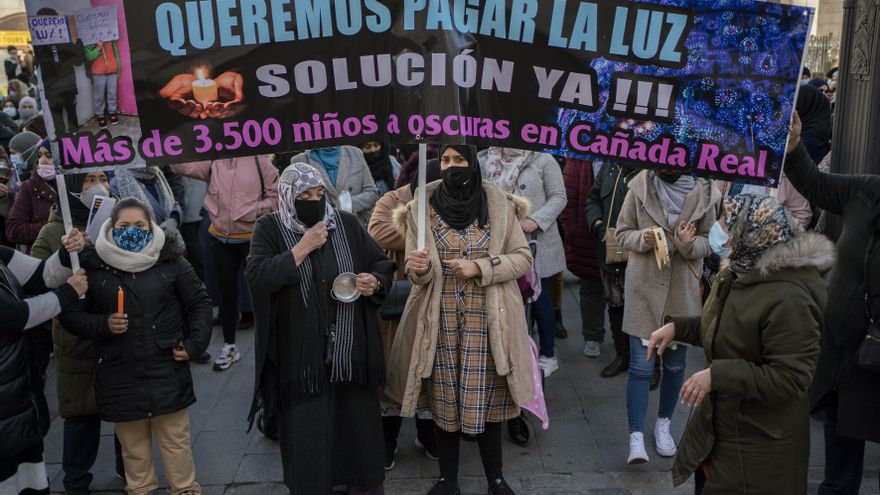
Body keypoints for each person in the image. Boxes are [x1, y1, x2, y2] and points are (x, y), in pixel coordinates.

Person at [648, 194, 832, 493]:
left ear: (755, 235)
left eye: (728, 224)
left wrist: (717, 375)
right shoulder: (740, 271)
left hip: (760, 448)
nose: (722, 231)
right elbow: (727, 329)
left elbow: (791, 378)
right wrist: (677, 327)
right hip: (724, 434)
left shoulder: (790, 298)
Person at [388, 145, 535, 495]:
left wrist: (481, 267)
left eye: (460, 159)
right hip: (438, 322)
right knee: (443, 401)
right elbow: (413, 267)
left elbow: (522, 257)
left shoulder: (498, 203)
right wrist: (417, 269)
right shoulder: (421, 206)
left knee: (487, 402)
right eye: (446, 160)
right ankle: (448, 480)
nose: (452, 166)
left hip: (488, 323)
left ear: (473, 162)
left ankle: (496, 479)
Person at [246, 162, 394, 494]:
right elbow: (256, 277)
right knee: (310, 440)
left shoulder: (343, 222)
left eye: (318, 193)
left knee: (357, 435)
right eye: (303, 195)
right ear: (287, 196)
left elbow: (380, 263)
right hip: (301, 358)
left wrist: (375, 281)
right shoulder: (269, 228)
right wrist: (301, 249)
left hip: (349, 353)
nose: (313, 201)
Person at [60, 198, 212, 495]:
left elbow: (199, 302)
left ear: (151, 225)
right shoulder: (92, 265)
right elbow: (70, 316)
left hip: (166, 368)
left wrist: (194, 344)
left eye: (140, 225)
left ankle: (185, 490)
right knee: (134, 453)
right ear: (111, 227)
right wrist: (103, 324)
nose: (133, 231)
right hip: (120, 373)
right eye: (124, 226)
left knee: (176, 444)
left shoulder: (171, 259)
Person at [786, 112, 880, 495]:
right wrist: (793, 145)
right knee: (839, 472)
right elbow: (816, 184)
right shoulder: (868, 191)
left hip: (876, 364)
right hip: (843, 363)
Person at [30, 171, 129, 493]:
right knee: (81, 415)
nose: (98, 185)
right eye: (88, 180)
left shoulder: (117, 221)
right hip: (77, 339)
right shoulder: (52, 232)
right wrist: (69, 254)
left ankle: (129, 472)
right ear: (72, 187)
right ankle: (75, 481)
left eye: (102, 177)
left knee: (124, 412)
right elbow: (36, 283)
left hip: (117, 328)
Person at [615, 169, 719, 464]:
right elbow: (622, 233)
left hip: (681, 295)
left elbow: (711, 243)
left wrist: (687, 243)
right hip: (644, 291)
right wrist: (645, 237)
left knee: (675, 366)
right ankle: (635, 436)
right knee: (640, 367)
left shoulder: (706, 193)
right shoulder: (639, 187)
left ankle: (664, 424)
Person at [367, 158, 442, 470]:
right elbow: (377, 231)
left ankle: (428, 434)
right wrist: (422, 237)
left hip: (434, 296)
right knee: (393, 370)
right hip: (398, 298)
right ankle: (387, 439)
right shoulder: (392, 199)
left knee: (429, 369)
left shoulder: (448, 198)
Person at [0, 230, 88, 495]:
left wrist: (66, 251)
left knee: (28, 477)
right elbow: (15, 316)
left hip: (17, 392)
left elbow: (41, 276)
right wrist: (67, 295)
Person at [171, 156, 279, 371]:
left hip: (252, 239)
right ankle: (230, 347)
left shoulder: (261, 161)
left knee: (264, 294)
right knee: (227, 295)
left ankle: (274, 348)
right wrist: (172, 140)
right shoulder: (214, 161)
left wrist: (251, 210)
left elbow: (276, 199)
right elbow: (180, 165)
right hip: (220, 238)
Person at [480, 147, 567, 377]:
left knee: (540, 300)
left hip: (537, 243)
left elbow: (559, 196)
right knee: (505, 299)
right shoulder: (484, 160)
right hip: (499, 244)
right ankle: (510, 352)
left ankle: (547, 355)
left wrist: (536, 220)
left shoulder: (543, 160)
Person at [586, 162, 641, 378]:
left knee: (646, 307)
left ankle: (651, 365)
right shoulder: (611, 165)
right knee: (616, 304)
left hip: (641, 251)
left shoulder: (650, 169)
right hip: (611, 250)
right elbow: (593, 198)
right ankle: (622, 356)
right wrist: (598, 224)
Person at [561, 158, 606, 360]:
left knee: (623, 290)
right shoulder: (579, 160)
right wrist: (572, 232)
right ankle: (592, 337)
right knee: (591, 287)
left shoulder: (626, 153)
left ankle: (625, 343)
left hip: (621, 233)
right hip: (587, 234)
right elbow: (568, 198)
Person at [291, 146, 379, 226]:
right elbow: (298, 204)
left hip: (357, 226)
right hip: (323, 231)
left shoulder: (355, 153)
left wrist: (347, 203)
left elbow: (373, 193)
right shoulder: (299, 161)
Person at [33, 7, 83, 133]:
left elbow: (78, 62)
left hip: (68, 85)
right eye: (43, 22)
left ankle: (75, 135)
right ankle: (61, 138)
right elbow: (36, 63)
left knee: (72, 113)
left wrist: (76, 42)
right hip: (51, 87)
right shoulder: (38, 44)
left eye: (50, 20)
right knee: (57, 118)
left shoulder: (66, 40)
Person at [6, 139, 56, 251]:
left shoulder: (79, 185)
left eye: (49, 156)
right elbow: (13, 230)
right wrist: (50, 228)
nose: (42, 161)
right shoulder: (30, 187)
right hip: (42, 256)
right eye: (40, 155)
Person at [83, 40, 120, 128]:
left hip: (112, 70)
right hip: (98, 72)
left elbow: (116, 55)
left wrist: (117, 69)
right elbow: (89, 57)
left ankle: (112, 112)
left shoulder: (110, 40)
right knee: (99, 96)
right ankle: (100, 115)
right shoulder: (88, 41)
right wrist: (98, 48)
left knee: (112, 93)